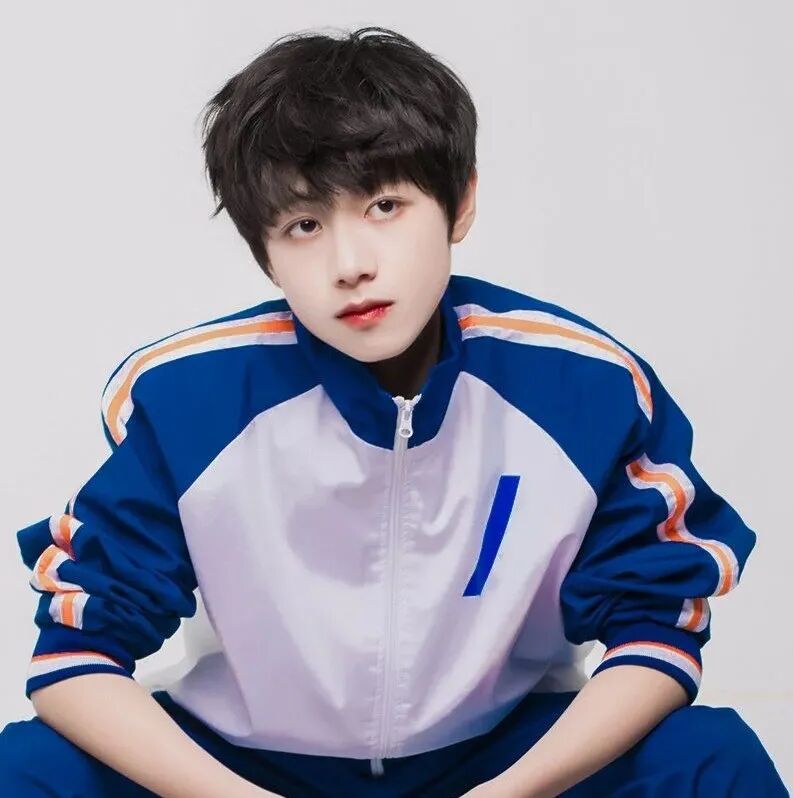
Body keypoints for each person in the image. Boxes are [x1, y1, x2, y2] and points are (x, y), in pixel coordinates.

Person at [0, 25, 787, 798]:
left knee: (711, 759)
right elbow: (75, 659)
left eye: (384, 205)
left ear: (460, 201)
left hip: (500, 755)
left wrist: (511, 793)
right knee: (25, 768)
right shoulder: (184, 398)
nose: (350, 265)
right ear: (263, 253)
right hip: (247, 765)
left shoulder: (586, 386)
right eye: (304, 225)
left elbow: (655, 627)